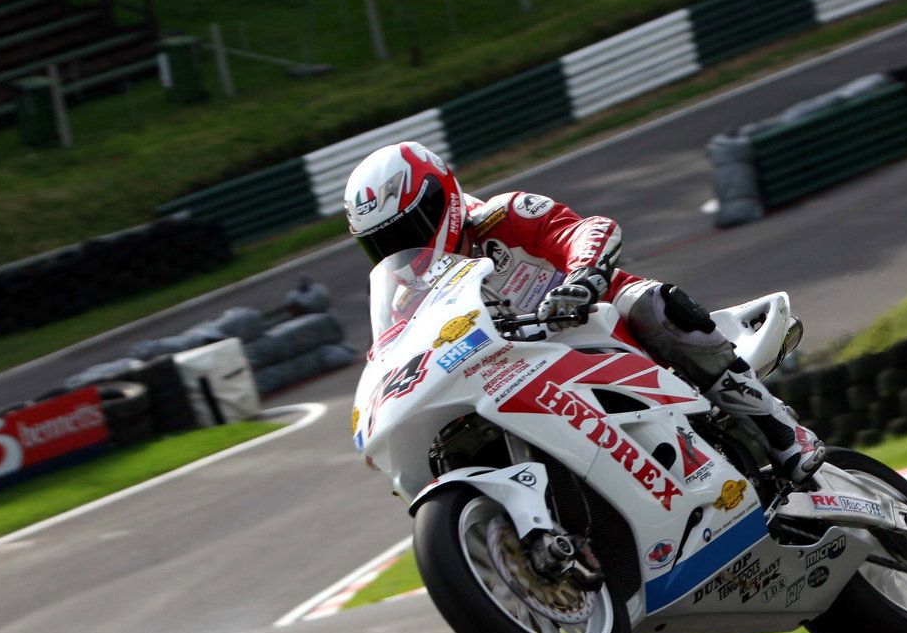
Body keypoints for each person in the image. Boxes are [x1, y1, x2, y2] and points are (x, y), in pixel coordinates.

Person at [343, 141, 824, 482]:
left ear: (441, 198)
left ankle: (780, 429)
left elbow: (585, 229)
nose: (402, 250)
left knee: (650, 306)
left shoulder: (504, 216)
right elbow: (396, 352)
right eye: (383, 244)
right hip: (512, 377)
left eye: (408, 230)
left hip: (598, 331)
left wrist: (583, 278)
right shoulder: (407, 297)